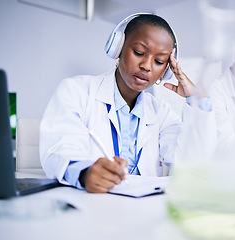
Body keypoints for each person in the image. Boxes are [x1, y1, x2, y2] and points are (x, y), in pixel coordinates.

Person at [39, 13, 198, 193]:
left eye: (159, 61)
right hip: (95, 205)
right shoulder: (76, 91)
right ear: (118, 48)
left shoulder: (162, 113)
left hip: (144, 208)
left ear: (166, 70)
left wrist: (196, 99)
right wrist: (85, 173)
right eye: (139, 52)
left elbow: (190, 160)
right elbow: (59, 150)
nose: (146, 66)